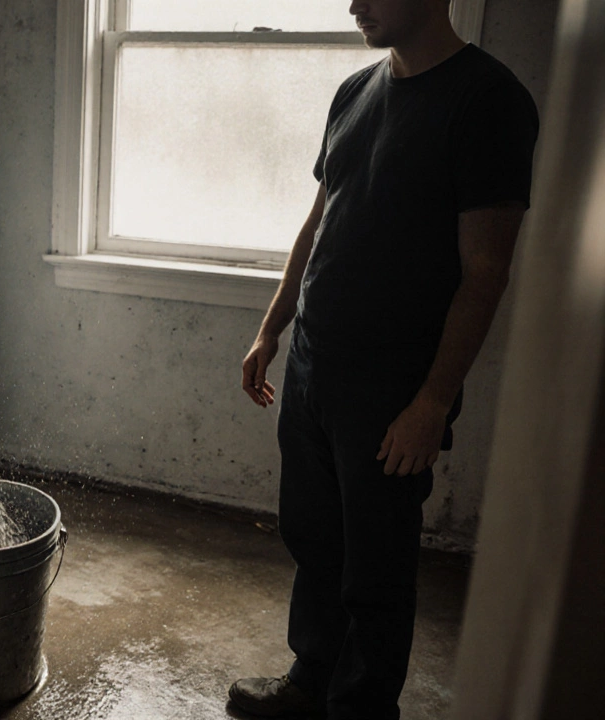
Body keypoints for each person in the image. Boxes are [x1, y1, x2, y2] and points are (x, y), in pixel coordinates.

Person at [233, 0, 538, 717]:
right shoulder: (355, 90)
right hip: (314, 360)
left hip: (393, 386)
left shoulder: (489, 100)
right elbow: (317, 223)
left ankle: (362, 708)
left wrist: (432, 401)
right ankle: (311, 680)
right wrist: (273, 330)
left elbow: (486, 269)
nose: (352, 4)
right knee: (314, 537)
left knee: (376, 564)